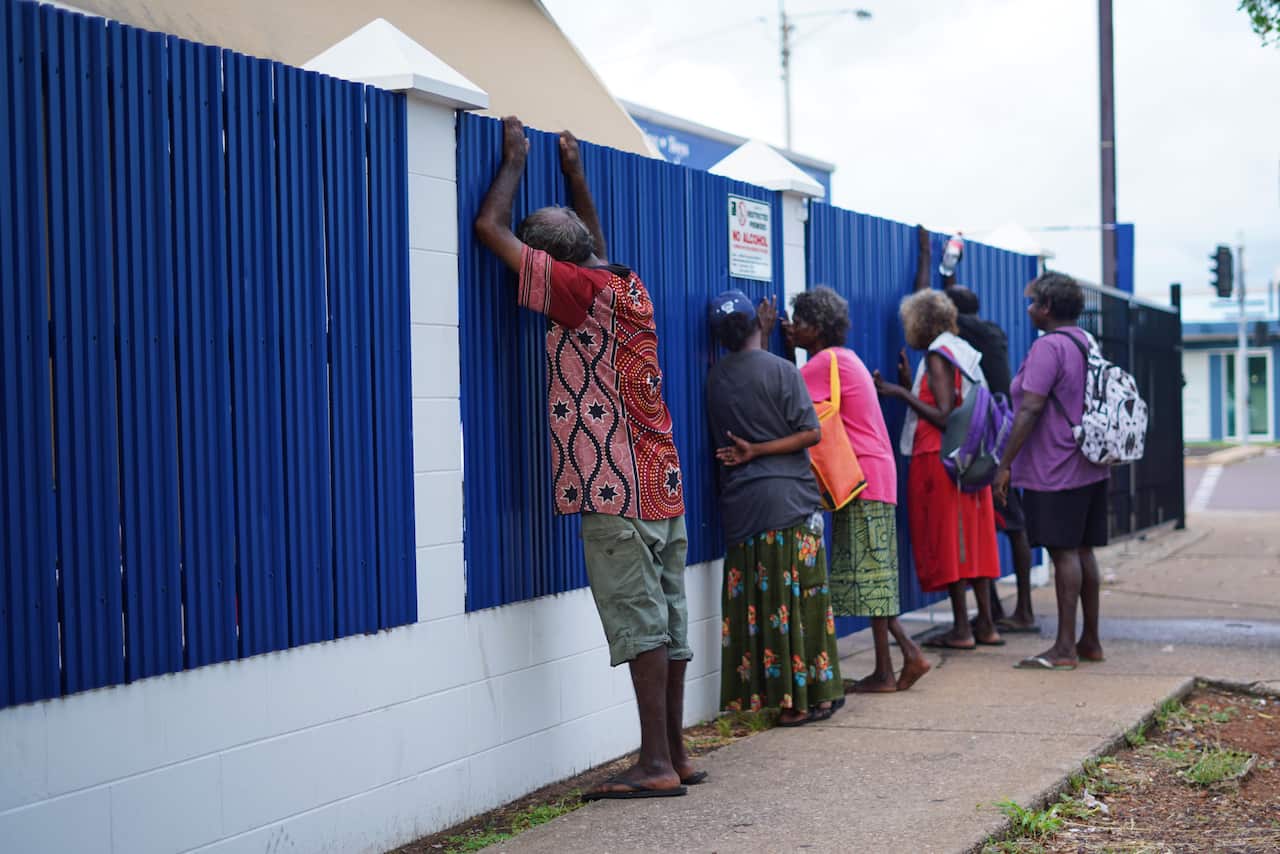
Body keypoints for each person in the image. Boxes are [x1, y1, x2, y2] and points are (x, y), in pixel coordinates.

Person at [474, 117, 697, 799]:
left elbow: (490, 230)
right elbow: (593, 242)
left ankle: (655, 764)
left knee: (639, 619)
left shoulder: (576, 295)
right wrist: (574, 173)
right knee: (669, 616)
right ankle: (677, 754)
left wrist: (513, 162)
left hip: (615, 485)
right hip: (660, 478)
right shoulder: (625, 284)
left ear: (553, 265)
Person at [784, 286, 931, 693]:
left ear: (816, 327)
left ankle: (892, 667)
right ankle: (902, 658)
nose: (792, 329)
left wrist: (772, 344)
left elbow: (785, 393)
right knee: (872, 575)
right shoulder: (848, 359)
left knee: (869, 576)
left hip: (860, 479)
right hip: (875, 477)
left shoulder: (825, 361)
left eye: (798, 323)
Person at [706, 292, 843, 726]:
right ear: (756, 325)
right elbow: (810, 434)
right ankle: (813, 700)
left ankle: (780, 700)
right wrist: (761, 450)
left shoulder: (714, 380)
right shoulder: (783, 371)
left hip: (744, 511)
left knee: (766, 608)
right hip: (792, 504)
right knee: (803, 603)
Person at [911, 226, 1037, 633]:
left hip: (952, 452)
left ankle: (981, 623)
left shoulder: (946, 348)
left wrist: (897, 390)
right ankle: (991, 618)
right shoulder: (982, 341)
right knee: (984, 534)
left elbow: (944, 412)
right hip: (986, 446)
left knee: (959, 536)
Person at [873, 290, 1003, 649]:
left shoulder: (937, 356)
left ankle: (961, 629)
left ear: (921, 322)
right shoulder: (960, 350)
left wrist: (898, 392)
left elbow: (945, 415)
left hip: (939, 457)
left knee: (947, 539)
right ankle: (986, 625)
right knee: (974, 540)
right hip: (969, 458)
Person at [993, 272, 1109, 671]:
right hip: (1090, 463)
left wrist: (1004, 464)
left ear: (1046, 307)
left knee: (1063, 553)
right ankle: (1089, 639)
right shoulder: (1086, 342)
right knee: (1083, 550)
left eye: (1032, 303)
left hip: (1054, 466)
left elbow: (1029, 407)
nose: (1028, 309)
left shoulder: (1049, 348)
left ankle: (1063, 648)